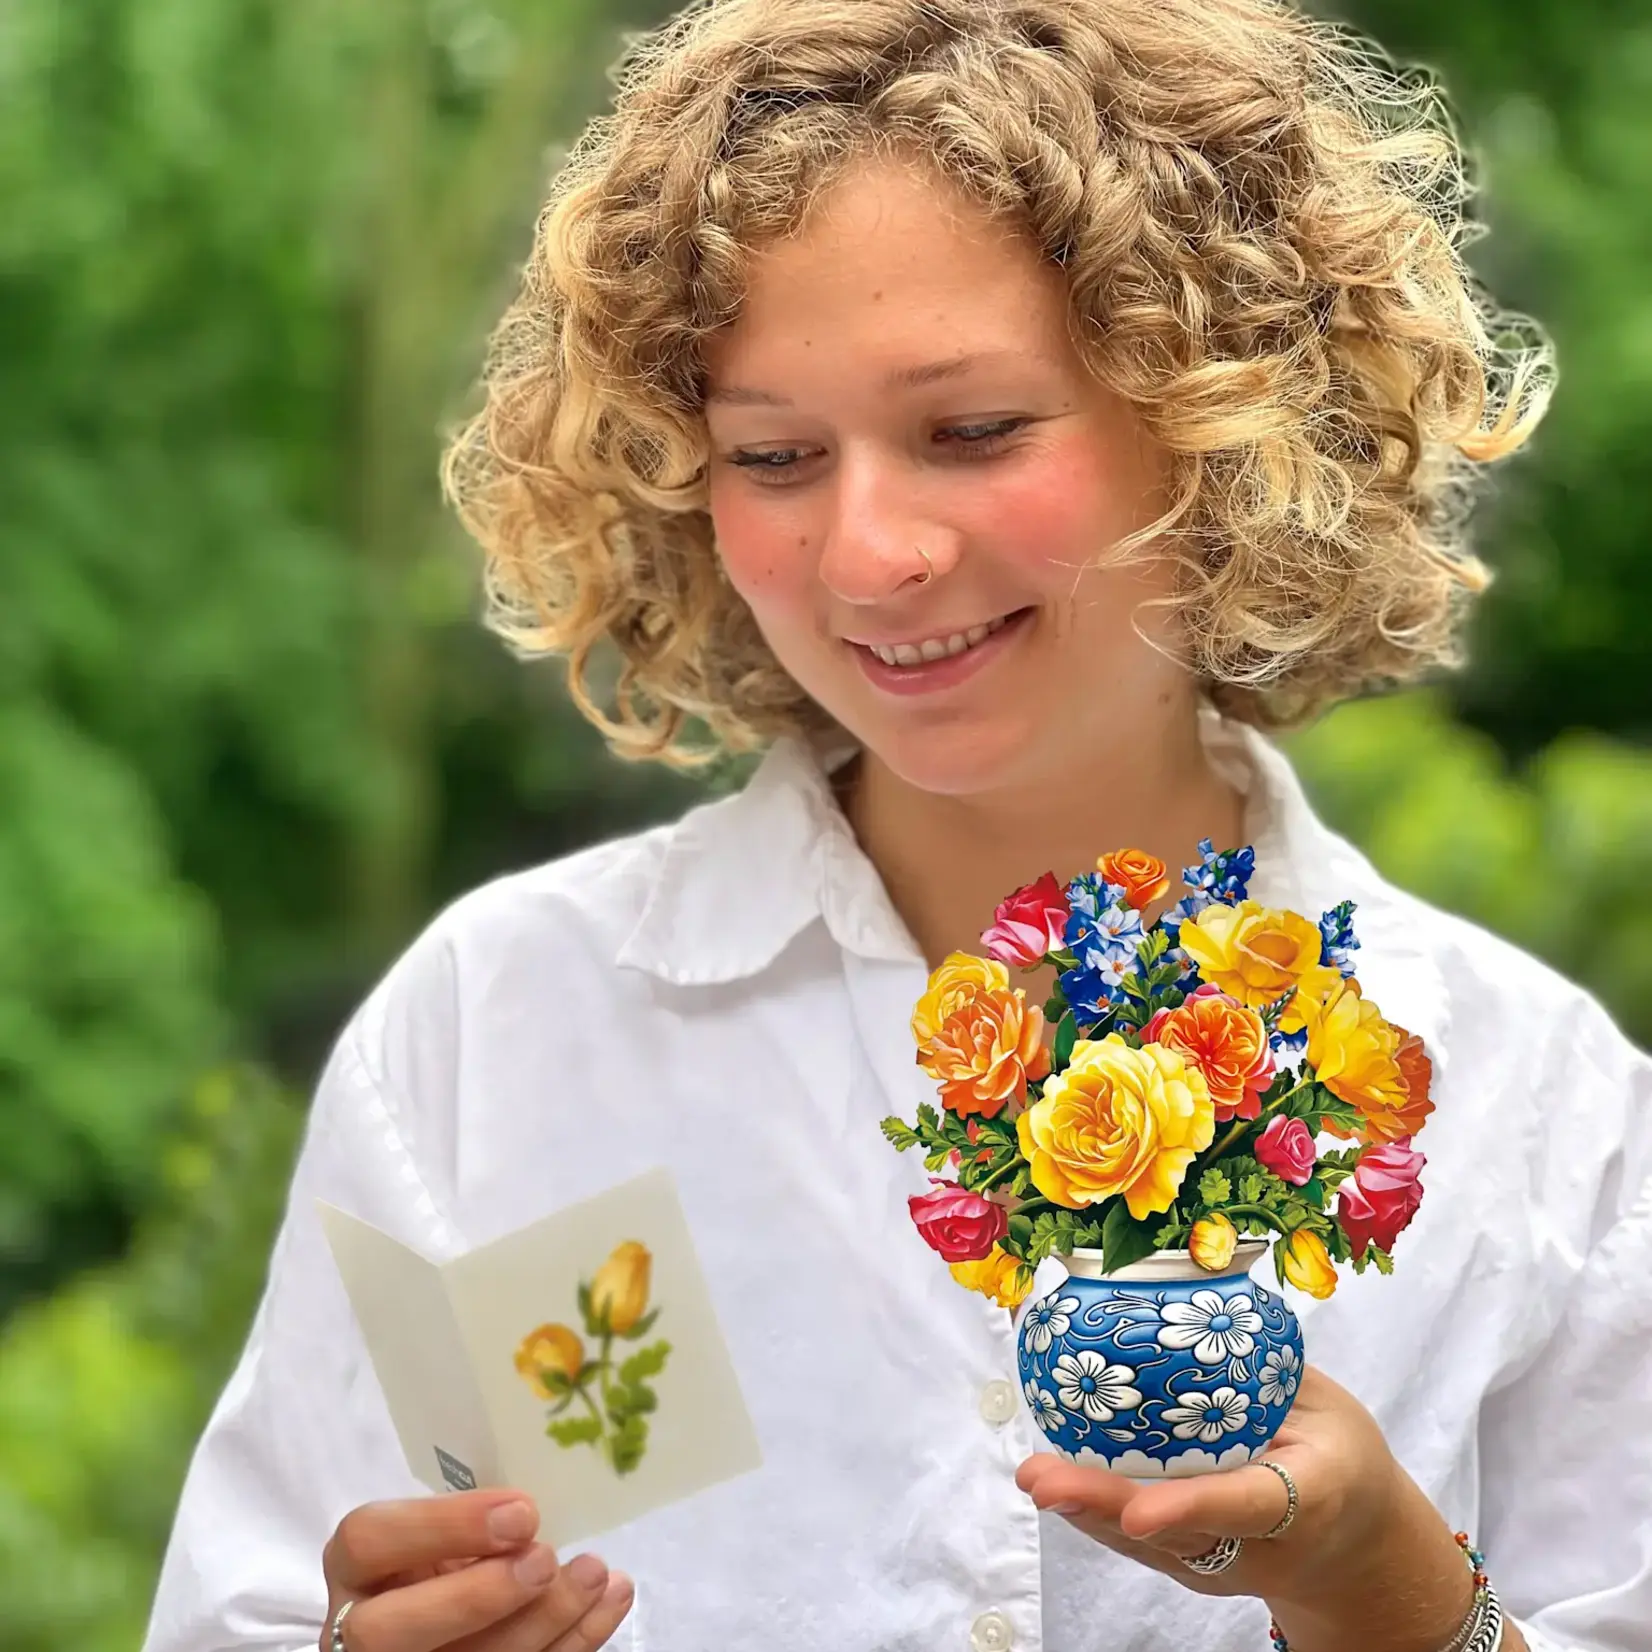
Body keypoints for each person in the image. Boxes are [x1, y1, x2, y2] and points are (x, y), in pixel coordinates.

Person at [143, 2, 1651, 1650]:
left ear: (1226, 419)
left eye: (974, 431)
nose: (869, 553)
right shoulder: (500, 1036)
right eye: (775, 455)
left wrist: (1398, 1603)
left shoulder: (1544, 1121)